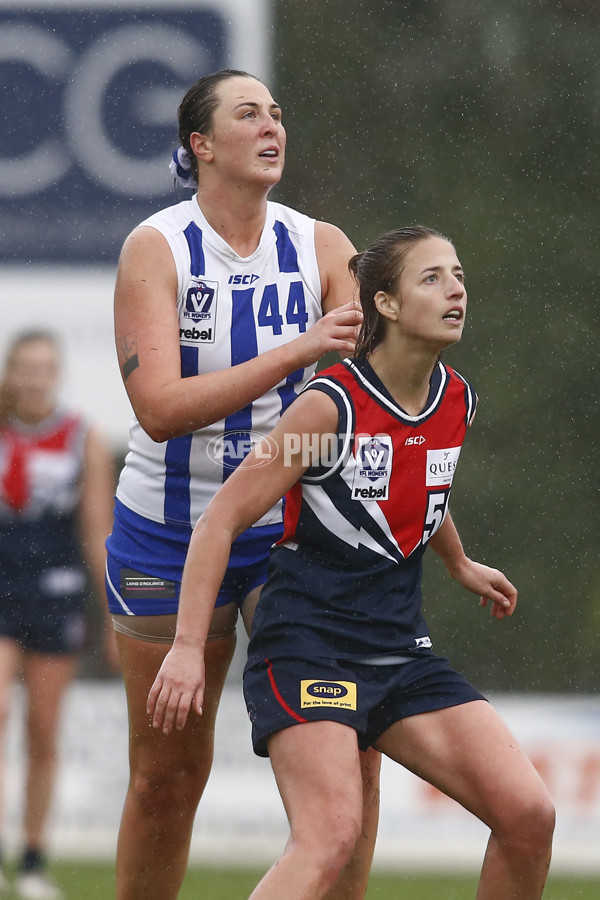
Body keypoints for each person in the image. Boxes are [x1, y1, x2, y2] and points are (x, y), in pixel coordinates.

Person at [148, 226, 556, 900]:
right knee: (330, 837)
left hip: (399, 650)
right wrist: (188, 645)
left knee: (529, 815)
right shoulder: (327, 405)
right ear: (387, 306)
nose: (456, 287)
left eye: (458, 274)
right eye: (432, 277)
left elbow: (422, 479)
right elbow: (221, 518)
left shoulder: (458, 400)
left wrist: (457, 561)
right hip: (309, 648)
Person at [104, 68, 380, 900]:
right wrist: (298, 352)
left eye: (278, 114)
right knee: (165, 782)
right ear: (200, 144)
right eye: (248, 114)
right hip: (168, 530)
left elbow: (374, 379)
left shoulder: (321, 243)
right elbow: (159, 409)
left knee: (350, 767)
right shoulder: (157, 247)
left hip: (291, 531)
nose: (273, 126)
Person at [0, 330, 116, 900]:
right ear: (10, 373)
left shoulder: (80, 438)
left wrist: (117, 614)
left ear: (58, 374)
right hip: (0, 585)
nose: (33, 379)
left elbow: (97, 531)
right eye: (24, 368)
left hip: (56, 590)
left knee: (43, 730)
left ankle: (31, 861)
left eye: (45, 368)